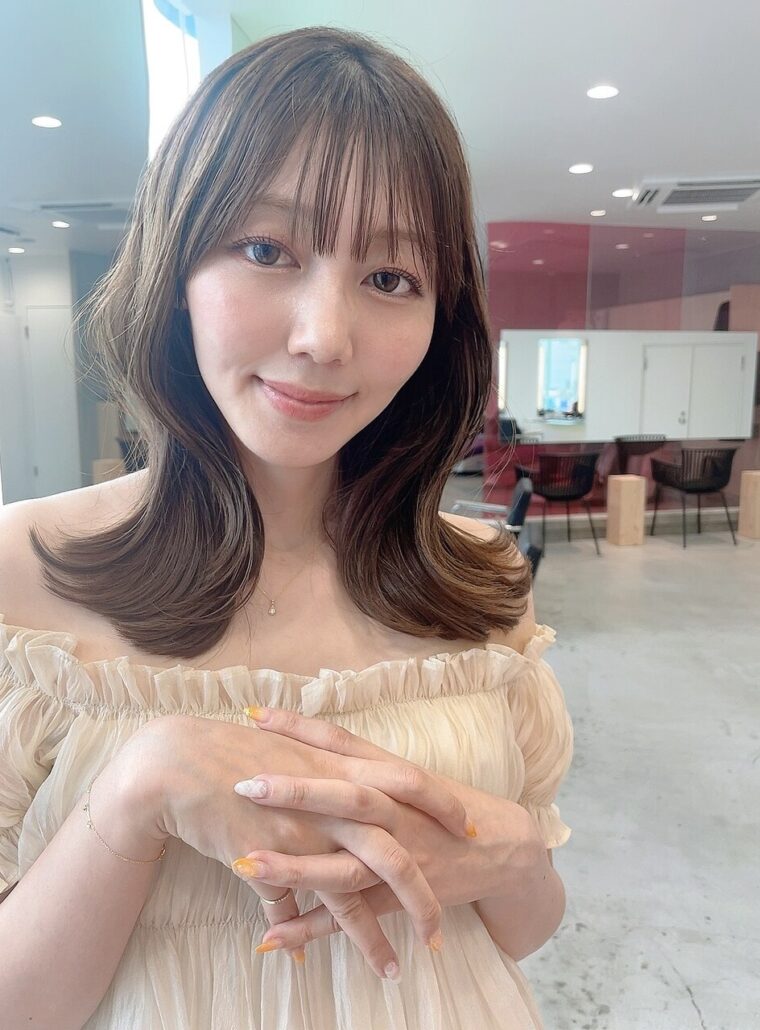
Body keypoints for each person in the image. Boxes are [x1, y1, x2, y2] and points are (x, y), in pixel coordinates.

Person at [0, 26, 573, 1030]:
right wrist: (140, 788)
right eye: (266, 250)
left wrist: (515, 854)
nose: (323, 336)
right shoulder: (22, 573)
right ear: (176, 265)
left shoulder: (480, 574)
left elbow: (516, 933)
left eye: (390, 278)